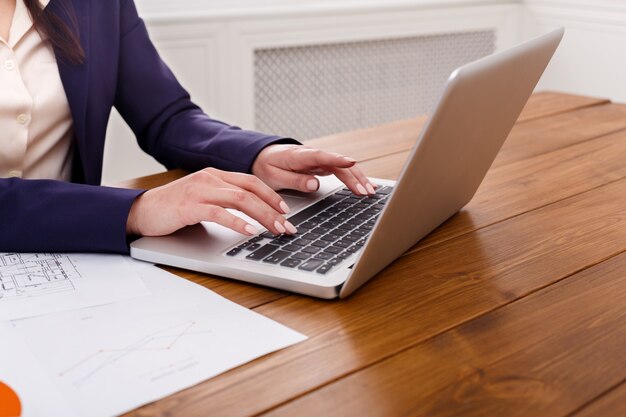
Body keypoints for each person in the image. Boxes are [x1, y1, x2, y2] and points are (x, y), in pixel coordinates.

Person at [0, 0, 376, 253]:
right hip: (89, 224)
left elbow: (165, 116)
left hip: (72, 253)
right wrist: (135, 210)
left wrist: (260, 154)